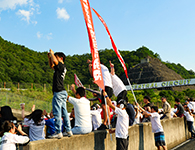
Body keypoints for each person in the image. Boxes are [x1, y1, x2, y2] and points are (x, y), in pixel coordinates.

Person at [47, 49, 72, 138]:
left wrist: (52, 54)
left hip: (58, 92)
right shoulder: (61, 67)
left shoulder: (61, 65)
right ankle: (68, 131)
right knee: (64, 112)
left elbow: (55, 61)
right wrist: (50, 57)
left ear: (61, 58)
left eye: (57, 57)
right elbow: (51, 65)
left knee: (57, 112)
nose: (55, 59)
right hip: (62, 92)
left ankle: (58, 132)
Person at [87, 59, 113, 130]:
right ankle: (107, 122)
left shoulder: (102, 67)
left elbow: (95, 63)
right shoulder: (101, 71)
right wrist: (90, 67)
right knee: (105, 106)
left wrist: (90, 62)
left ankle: (105, 123)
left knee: (105, 106)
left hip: (106, 87)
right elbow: (93, 75)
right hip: (106, 87)